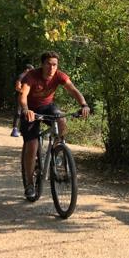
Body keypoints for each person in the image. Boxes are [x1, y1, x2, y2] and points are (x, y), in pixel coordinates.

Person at [18, 52, 89, 199]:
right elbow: (23, 95)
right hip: (30, 110)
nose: (52, 67)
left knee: (61, 119)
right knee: (32, 146)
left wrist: (84, 104)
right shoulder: (32, 75)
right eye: (48, 64)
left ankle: (57, 149)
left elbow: (73, 90)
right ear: (42, 64)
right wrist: (25, 110)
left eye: (54, 64)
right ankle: (30, 184)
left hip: (47, 107)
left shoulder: (59, 76)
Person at [10, 64, 35, 138]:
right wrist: (23, 92)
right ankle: (14, 130)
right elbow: (17, 87)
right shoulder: (22, 76)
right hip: (19, 96)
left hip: (26, 97)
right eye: (31, 70)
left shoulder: (28, 77)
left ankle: (22, 130)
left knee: (24, 113)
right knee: (18, 112)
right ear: (27, 69)